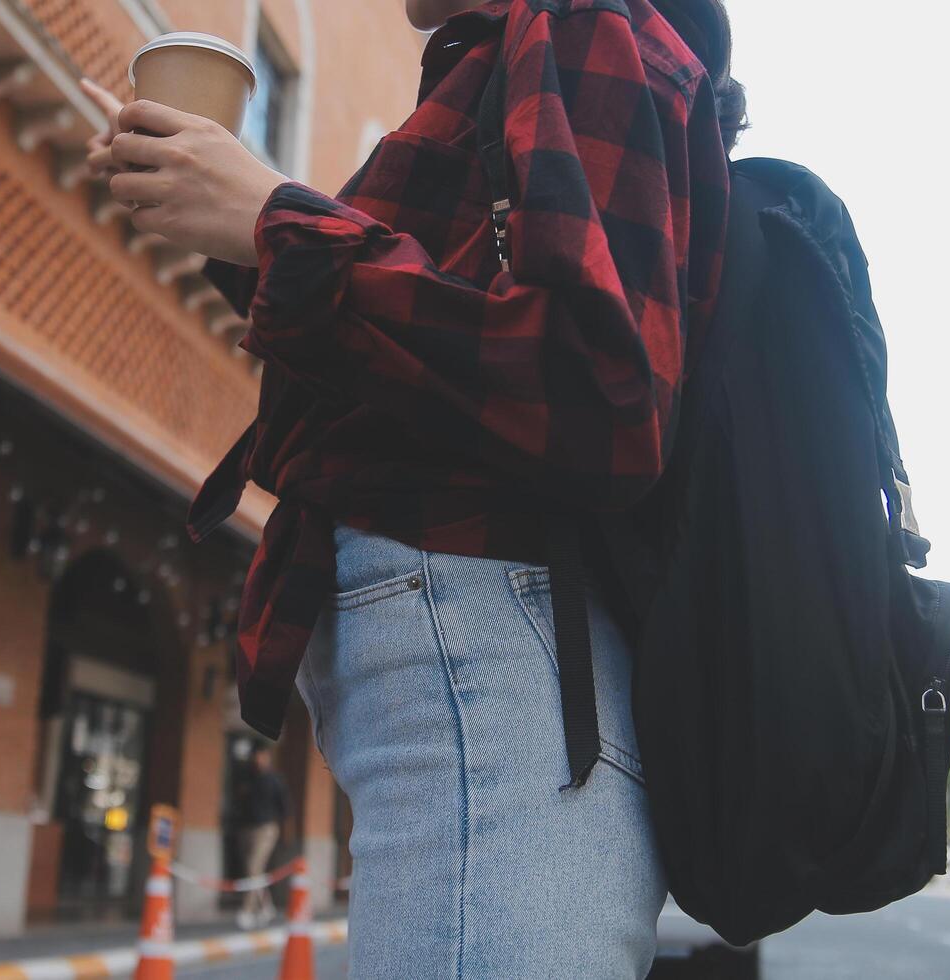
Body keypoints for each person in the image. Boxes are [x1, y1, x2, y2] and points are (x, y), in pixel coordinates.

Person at [81, 1, 744, 974]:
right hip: (487, 653)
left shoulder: (572, 21)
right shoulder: (503, 54)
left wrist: (281, 225)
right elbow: (427, 354)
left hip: (489, 643)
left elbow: (600, 392)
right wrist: (242, 228)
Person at [231, 743, 288, 929]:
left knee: (254, 867)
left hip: (267, 829)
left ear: (268, 757)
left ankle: (247, 911)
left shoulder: (275, 780)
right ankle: (267, 906)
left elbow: (285, 808)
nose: (258, 759)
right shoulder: (246, 778)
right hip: (247, 828)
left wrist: (285, 833)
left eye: (262, 755)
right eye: (256, 756)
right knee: (254, 870)